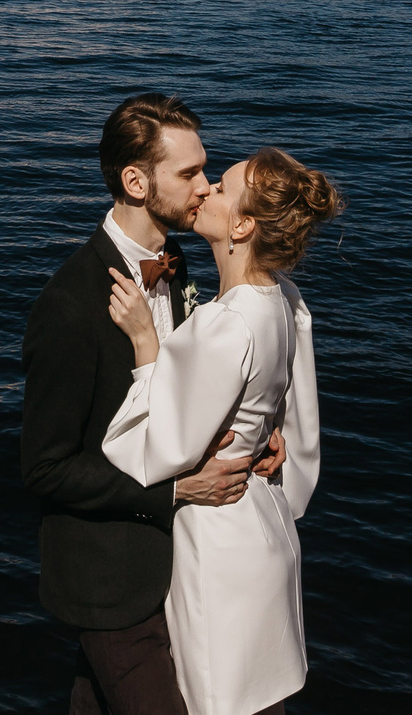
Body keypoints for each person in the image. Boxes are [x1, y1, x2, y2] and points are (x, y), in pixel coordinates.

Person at [22, 94, 287, 715]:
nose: (205, 187)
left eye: (206, 170)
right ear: (136, 183)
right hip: (113, 582)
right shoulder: (70, 305)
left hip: (183, 574)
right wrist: (175, 492)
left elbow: (184, 393)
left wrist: (251, 436)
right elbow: (45, 468)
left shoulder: (178, 263)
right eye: (189, 173)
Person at [100, 146, 342, 715]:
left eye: (222, 187)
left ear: (241, 226)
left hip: (219, 545)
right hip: (267, 528)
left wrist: (146, 346)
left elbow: (154, 448)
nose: (205, 188)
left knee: (217, 698)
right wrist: (266, 436)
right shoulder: (285, 300)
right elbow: (297, 417)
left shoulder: (225, 324)